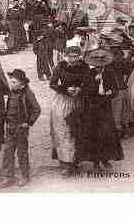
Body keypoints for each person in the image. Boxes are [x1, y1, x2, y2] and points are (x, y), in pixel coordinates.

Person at [74, 49, 124, 170]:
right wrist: (94, 83)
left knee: (106, 133)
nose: (99, 66)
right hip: (91, 108)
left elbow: (116, 90)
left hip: (105, 107)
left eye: (101, 64)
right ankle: (95, 161)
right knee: (94, 134)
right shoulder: (89, 74)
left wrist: (110, 93)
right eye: (97, 64)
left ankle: (105, 158)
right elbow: (84, 91)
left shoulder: (110, 73)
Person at [49, 39, 89, 177]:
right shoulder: (60, 66)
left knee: (76, 131)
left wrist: (80, 89)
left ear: (80, 56)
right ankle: (65, 163)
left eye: (76, 56)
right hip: (62, 101)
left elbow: (89, 83)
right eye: (71, 56)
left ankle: (75, 161)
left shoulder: (84, 67)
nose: (73, 59)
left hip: (78, 101)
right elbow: (52, 83)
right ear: (66, 56)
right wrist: (65, 89)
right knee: (62, 131)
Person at [0, 69, 41, 188]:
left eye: (13, 82)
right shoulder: (13, 92)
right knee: (8, 152)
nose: (11, 85)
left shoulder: (28, 93)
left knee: (22, 152)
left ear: (22, 83)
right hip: (10, 127)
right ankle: (8, 177)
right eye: (11, 82)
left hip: (21, 128)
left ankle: (25, 176)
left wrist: (28, 122)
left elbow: (37, 109)